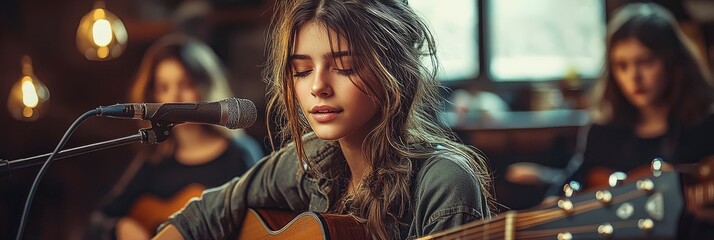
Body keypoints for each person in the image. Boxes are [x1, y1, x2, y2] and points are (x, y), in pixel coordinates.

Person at [153, 0, 494, 239]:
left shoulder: (444, 184)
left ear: (391, 71)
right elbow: (200, 217)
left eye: (344, 66)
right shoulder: (309, 164)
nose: (318, 86)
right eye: (301, 70)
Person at [89, 33, 264, 240]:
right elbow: (97, 221)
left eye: (185, 84)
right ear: (153, 95)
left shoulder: (240, 154)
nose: (174, 98)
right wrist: (121, 227)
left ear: (205, 86)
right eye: (164, 87)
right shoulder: (154, 161)